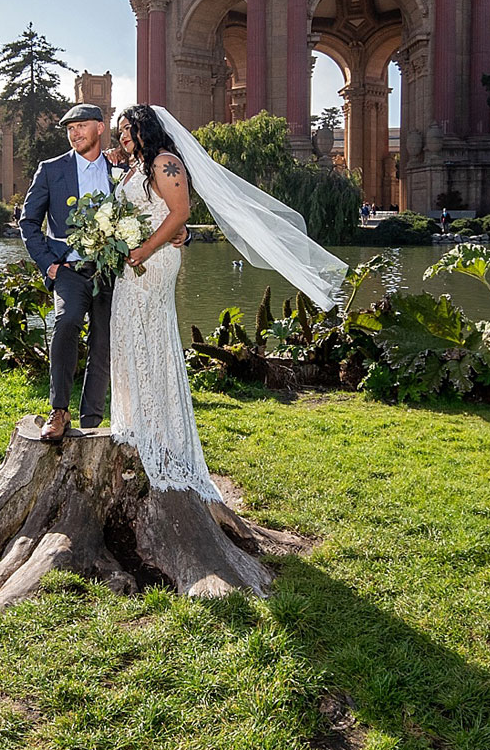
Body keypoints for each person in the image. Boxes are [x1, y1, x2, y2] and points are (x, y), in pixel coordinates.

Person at [107, 104, 349, 501]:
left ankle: (161, 433)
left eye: (126, 129)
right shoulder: (136, 167)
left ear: (143, 128)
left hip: (152, 262)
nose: (121, 136)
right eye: (119, 131)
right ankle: (136, 424)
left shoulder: (166, 162)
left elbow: (180, 212)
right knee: (128, 335)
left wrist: (145, 249)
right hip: (131, 261)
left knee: (151, 336)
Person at [19, 104, 116, 440]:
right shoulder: (51, 170)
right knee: (67, 322)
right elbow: (28, 222)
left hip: (110, 270)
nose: (74, 134)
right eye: (70, 129)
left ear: (100, 128)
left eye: (81, 126)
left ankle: (91, 421)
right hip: (69, 269)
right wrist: (48, 263)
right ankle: (59, 410)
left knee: (103, 340)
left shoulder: (119, 170)